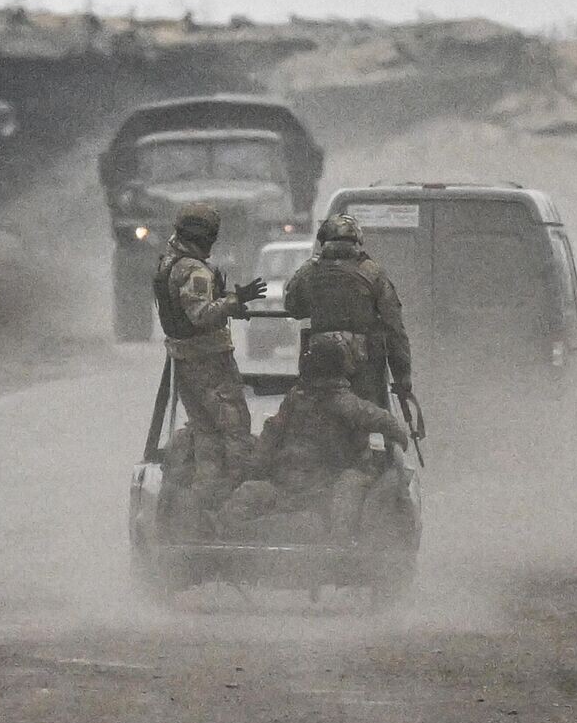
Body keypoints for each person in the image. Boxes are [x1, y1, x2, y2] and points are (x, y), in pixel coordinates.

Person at [225, 331, 408, 540]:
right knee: (249, 494)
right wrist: (256, 470)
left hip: (323, 490)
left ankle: (337, 546)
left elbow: (387, 423)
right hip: (288, 487)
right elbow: (272, 433)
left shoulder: (344, 405)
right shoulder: (298, 399)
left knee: (342, 497)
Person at [152, 203, 267, 498]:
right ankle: (237, 499)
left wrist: (230, 305)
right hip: (209, 362)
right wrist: (235, 300)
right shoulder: (193, 269)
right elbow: (200, 314)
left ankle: (204, 501)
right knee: (235, 429)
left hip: (186, 360)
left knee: (206, 434)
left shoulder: (170, 263)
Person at [284, 214, 413, 407]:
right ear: (357, 241)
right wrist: (402, 374)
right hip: (364, 369)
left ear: (323, 241)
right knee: (372, 418)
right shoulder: (373, 273)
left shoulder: (309, 272)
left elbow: (293, 307)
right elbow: (393, 327)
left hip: (319, 365)